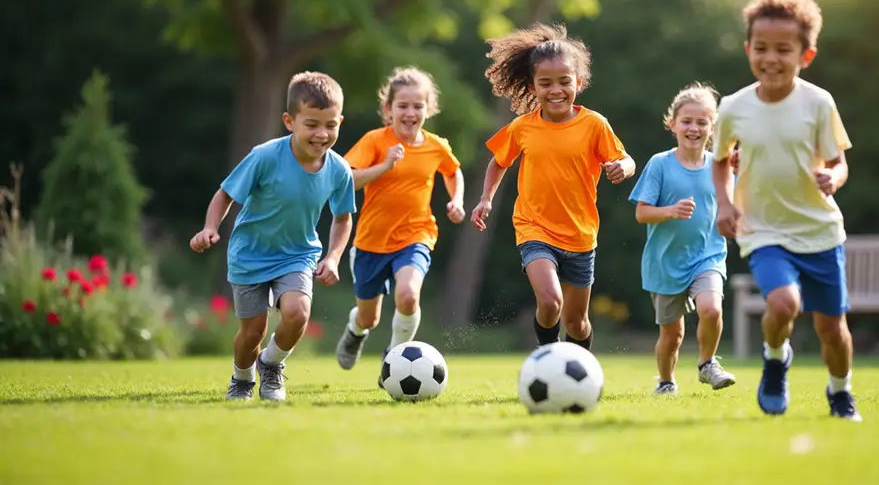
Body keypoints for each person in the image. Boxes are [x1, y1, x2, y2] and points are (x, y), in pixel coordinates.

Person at [712, 0, 861, 421]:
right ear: (748, 50)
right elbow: (720, 161)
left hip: (819, 230)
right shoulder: (733, 107)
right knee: (783, 304)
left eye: (783, 49)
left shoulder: (818, 103)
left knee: (831, 329)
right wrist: (724, 203)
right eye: (761, 48)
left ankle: (840, 393)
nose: (770, 58)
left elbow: (839, 161)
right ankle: (775, 360)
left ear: (805, 55)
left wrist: (832, 177)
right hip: (763, 229)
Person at [190, 71, 356, 402]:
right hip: (250, 254)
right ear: (289, 121)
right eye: (312, 124)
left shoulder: (339, 169)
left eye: (330, 125)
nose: (322, 134)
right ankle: (241, 378)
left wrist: (334, 257)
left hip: (297, 255)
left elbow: (342, 217)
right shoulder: (265, 156)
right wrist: (210, 228)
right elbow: (225, 194)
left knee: (298, 313)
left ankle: (271, 365)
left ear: (339, 121)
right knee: (252, 332)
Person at [470, 23, 635, 350]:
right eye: (545, 83)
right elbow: (499, 161)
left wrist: (622, 168)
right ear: (532, 87)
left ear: (579, 82)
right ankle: (547, 358)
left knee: (577, 322)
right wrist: (485, 199)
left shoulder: (594, 124)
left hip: (580, 234)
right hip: (534, 228)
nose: (555, 90)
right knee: (549, 302)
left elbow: (626, 159)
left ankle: (578, 367)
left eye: (564, 82)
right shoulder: (522, 127)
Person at [334, 67, 464, 387]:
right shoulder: (375, 141)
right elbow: (346, 180)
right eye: (402, 106)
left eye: (417, 106)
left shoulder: (436, 145)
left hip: (416, 235)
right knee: (369, 317)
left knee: (407, 295)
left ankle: (394, 356)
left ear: (428, 109)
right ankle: (356, 331)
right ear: (388, 109)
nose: (410, 113)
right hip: (370, 242)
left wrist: (457, 200)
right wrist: (384, 165)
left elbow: (452, 171)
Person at [628, 82, 737, 395]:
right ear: (672, 124)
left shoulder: (721, 165)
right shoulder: (660, 164)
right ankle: (666, 382)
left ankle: (707, 364)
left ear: (712, 127)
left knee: (712, 309)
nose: (694, 128)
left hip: (708, 256)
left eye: (702, 122)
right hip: (665, 262)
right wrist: (671, 211)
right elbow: (642, 213)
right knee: (672, 335)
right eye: (687, 121)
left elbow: (740, 197)